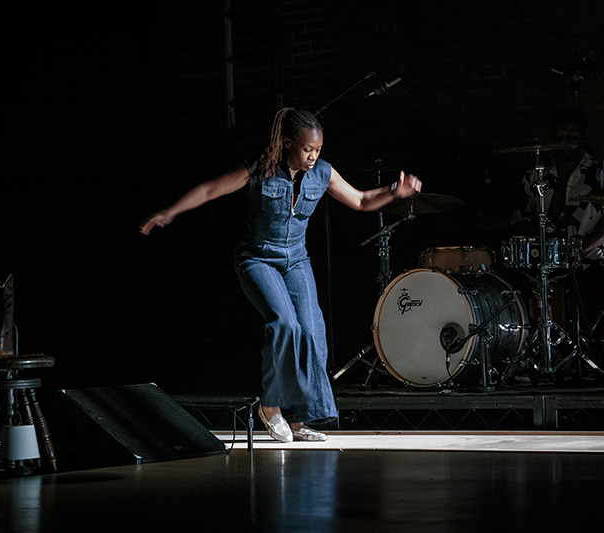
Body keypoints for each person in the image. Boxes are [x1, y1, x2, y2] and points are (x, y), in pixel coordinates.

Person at [140, 108, 422, 442]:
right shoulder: (259, 170)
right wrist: (170, 212)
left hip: (297, 262)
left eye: (317, 150)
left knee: (313, 332)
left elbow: (361, 200)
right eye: (307, 149)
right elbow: (209, 190)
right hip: (258, 258)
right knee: (285, 324)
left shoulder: (323, 173)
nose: (313, 156)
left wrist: (393, 190)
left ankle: (299, 421)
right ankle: (270, 406)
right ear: (287, 143)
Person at [510, 107, 604, 336]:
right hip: (545, 264)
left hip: (589, 262)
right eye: (560, 136)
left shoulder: (601, 173)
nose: (565, 141)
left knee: (592, 315)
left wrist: (577, 252)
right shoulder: (535, 175)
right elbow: (519, 220)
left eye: (571, 136)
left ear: (583, 137)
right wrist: (535, 250)